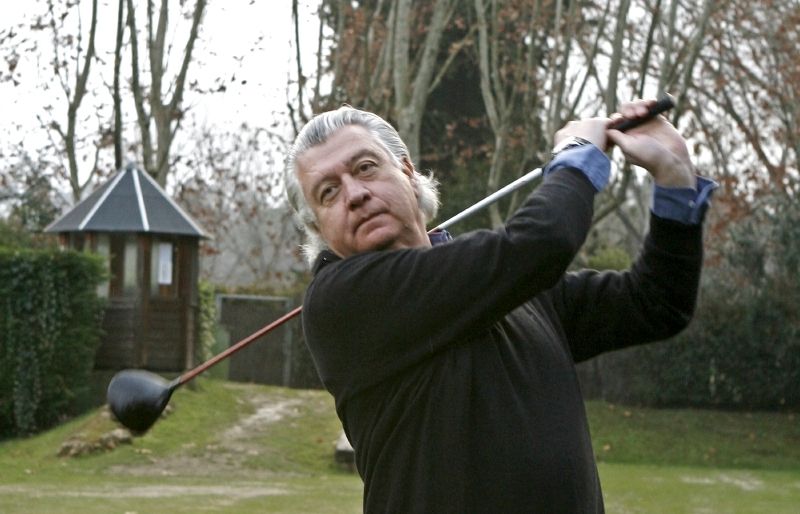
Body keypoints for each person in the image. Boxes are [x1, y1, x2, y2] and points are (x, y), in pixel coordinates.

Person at [284, 99, 716, 513]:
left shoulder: (507, 285)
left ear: (407, 172)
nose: (354, 194)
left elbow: (656, 303)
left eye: (365, 167)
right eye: (328, 192)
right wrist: (576, 155)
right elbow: (544, 240)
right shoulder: (342, 301)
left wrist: (674, 178)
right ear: (318, 229)